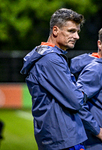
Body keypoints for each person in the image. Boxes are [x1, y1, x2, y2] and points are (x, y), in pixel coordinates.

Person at [20, 8, 87, 150]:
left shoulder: (45, 55)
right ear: (55, 30)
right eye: (71, 31)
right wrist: (83, 92)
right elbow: (76, 101)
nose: (76, 36)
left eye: (77, 32)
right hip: (63, 138)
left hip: (55, 136)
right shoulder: (51, 60)